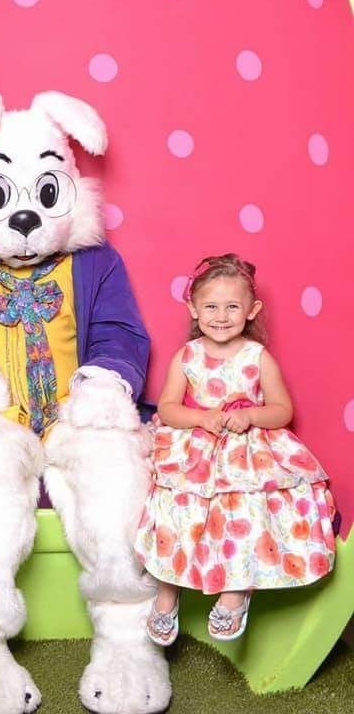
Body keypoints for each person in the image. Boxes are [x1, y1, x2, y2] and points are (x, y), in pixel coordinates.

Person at [136, 253, 335, 645]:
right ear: (194, 309)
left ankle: (236, 591)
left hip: (245, 454)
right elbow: (169, 407)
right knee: (176, 512)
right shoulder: (187, 356)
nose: (221, 316)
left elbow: (282, 410)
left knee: (243, 513)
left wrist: (251, 416)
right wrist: (201, 418)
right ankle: (167, 592)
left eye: (232, 307)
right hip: (195, 451)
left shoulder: (257, 357)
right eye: (211, 306)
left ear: (251, 310)